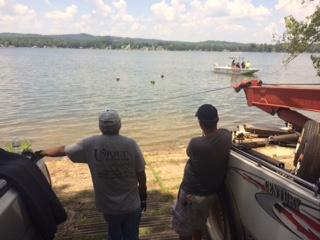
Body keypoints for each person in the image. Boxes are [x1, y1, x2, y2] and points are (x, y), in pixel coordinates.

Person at [37, 108, 147, 240]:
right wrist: (143, 192)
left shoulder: (90, 144)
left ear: (100, 126)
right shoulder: (131, 144)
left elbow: (63, 150)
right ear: (119, 125)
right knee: (132, 235)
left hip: (108, 206)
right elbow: (140, 172)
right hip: (131, 203)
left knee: (114, 233)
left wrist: (41, 152)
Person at [172, 104, 232, 240]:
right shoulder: (226, 137)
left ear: (200, 123)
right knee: (199, 225)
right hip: (210, 194)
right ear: (217, 120)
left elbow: (188, 153)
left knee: (184, 230)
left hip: (191, 194)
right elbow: (223, 131)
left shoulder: (195, 143)